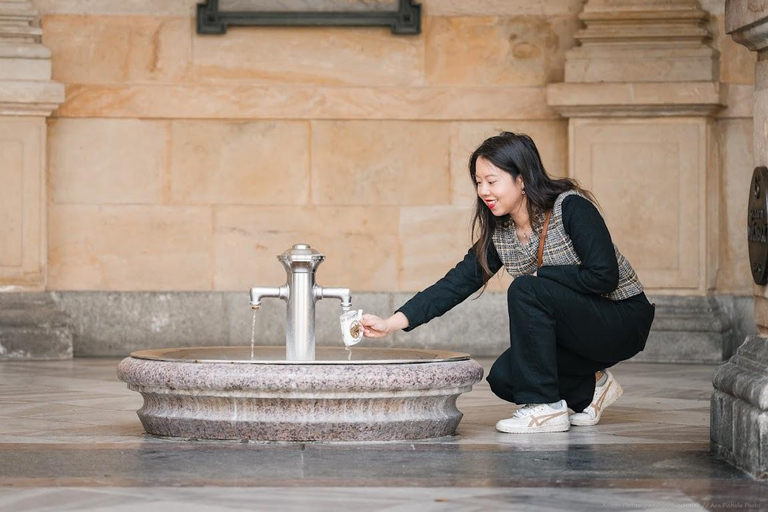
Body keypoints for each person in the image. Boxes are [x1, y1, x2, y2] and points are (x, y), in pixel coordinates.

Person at [360, 131, 655, 434]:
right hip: (577, 330)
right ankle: (594, 387)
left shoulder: (571, 208)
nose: (484, 190)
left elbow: (605, 275)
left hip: (622, 320)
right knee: (506, 377)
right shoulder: (500, 233)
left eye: (492, 180)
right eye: (478, 182)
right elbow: (454, 285)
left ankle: (546, 409)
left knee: (527, 289)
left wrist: (543, 275)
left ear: (522, 179)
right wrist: (391, 323)